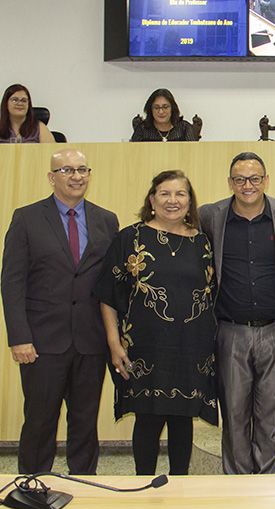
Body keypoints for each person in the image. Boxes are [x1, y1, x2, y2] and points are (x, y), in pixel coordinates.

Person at [1, 148, 118, 474]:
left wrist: (115, 337)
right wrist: (19, 337)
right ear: (52, 178)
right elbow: (12, 282)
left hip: (90, 340)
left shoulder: (106, 220)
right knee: (40, 421)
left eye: (82, 170)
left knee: (85, 422)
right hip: (42, 342)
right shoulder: (27, 218)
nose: (76, 176)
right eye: (67, 170)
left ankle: (84, 484)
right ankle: (32, 484)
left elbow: (112, 283)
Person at [94, 170, 217, 475]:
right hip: (144, 349)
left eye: (180, 194)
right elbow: (108, 294)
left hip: (191, 349)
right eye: (164, 193)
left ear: (190, 202)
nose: (172, 200)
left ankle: (180, 486)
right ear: (152, 200)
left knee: (183, 418)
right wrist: (113, 343)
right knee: (148, 418)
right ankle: (143, 485)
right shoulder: (130, 238)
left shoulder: (203, 242)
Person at [199, 152, 275, 475]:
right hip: (229, 332)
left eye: (255, 178)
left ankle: (268, 485)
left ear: (266, 180)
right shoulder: (209, 217)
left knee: (271, 418)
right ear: (230, 183)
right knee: (233, 416)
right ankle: (238, 486)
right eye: (240, 179)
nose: (248, 185)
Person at [131, 88, 198, 142]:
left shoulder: (184, 128)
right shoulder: (142, 129)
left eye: (165, 107)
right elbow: (132, 152)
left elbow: (194, 152)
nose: (161, 112)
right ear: (150, 109)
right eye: (156, 108)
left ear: (172, 108)